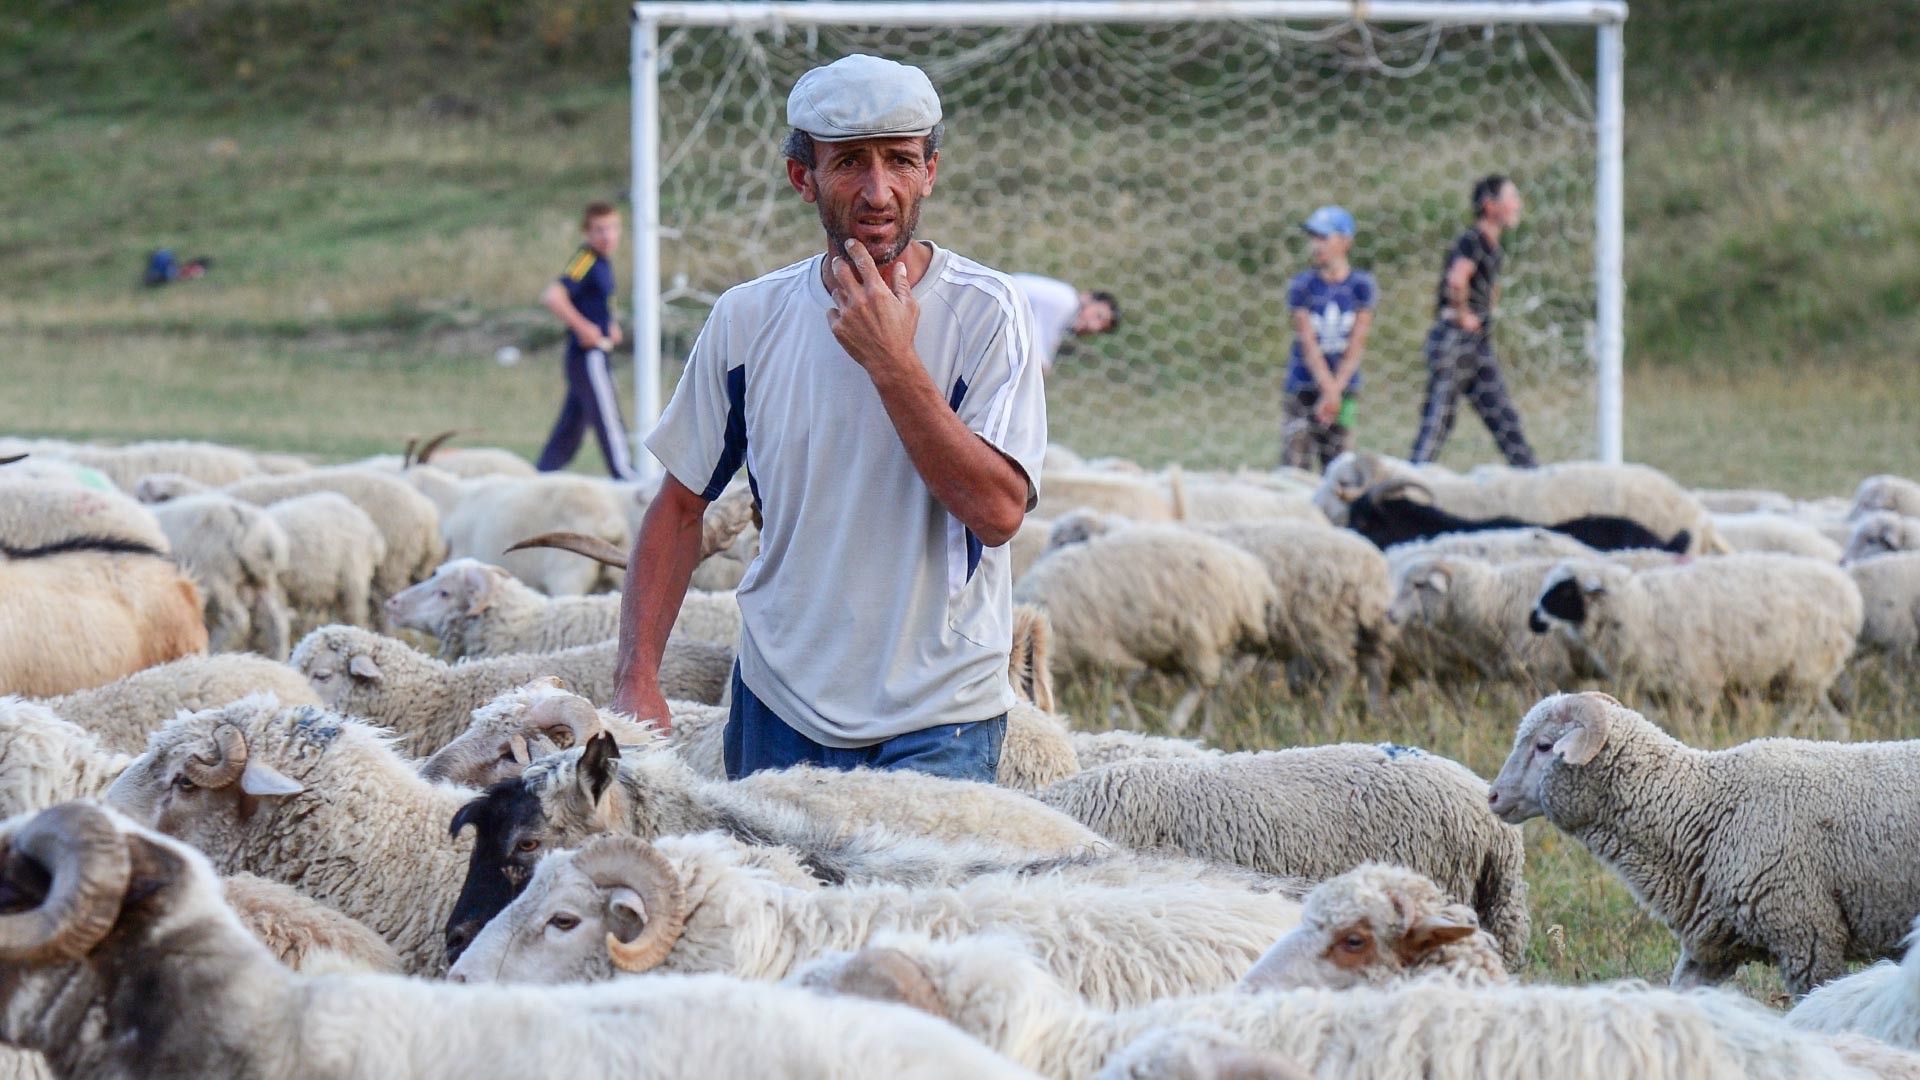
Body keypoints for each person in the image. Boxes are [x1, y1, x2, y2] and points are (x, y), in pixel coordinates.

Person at [612, 54, 1047, 784]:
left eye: (901, 161)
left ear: (931, 171)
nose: (879, 191)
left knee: (922, 905)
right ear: (801, 178)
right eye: (849, 164)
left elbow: (998, 511)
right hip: (777, 708)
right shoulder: (747, 318)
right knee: (771, 902)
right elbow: (681, 506)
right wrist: (636, 677)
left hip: (939, 717)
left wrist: (892, 363)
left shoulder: (988, 311)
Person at [1408, 175, 1537, 467]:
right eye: (1511, 197)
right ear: (1490, 206)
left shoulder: (1493, 246)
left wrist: (1485, 307)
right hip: (1455, 343)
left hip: (1475, 346)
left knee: (1504, 419)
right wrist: (1462, 312)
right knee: (1438, 422)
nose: (1518, 204)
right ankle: (1407, 484)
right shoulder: (1474, 240)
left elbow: (1480, 286)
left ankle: (1531, 476)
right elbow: (1457, 279)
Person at [534, 202, 638, 481]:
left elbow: (596, 301)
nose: (607, 236)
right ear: (587, 233)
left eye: (613, 228)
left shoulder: (604, 264)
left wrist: (610, 324)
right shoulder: (586, 259)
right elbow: (553, 296)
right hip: (587, 355)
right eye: (600, 230)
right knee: (608, 418)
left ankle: (541, 475)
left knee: (571, 428)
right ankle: (626, 475)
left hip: (596, 353)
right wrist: (584, 328)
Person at [1281, 205, 1375, 472]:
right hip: (1303, 387)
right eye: (1313, 238)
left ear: (1345, 242)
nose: (1316, 245)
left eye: (1323, 238)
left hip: (1345, 390)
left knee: (1340, 466)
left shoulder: (1361, 285)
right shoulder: (1302, 285)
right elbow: (1307, 342)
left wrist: (1336, 390)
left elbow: (1357, 343)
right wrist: (1327, 388)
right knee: (1294, 468)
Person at [1009, 273, 1118, 372]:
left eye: (1100, 329)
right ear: (1087, 296)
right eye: (1098, 316)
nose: (1094, 327)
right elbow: (1039, 360)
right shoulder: (1067, 302)